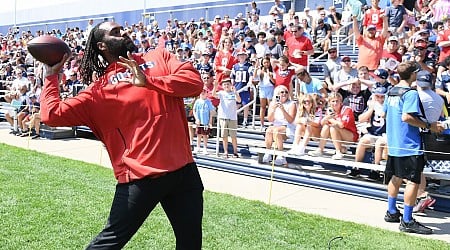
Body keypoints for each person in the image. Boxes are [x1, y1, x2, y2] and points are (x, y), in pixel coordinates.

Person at [40, 21, 204, 249]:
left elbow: (195, 84)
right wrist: (51, 77)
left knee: (191, 243)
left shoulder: (159, 57)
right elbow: (51, 115)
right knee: (108, 243)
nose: (124, 32)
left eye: (122, 29)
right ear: (102, 46)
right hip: (141, 178)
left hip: (183, 171)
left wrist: (149, 82)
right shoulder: (97, 92)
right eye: (115, 32)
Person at [383, 61, 442, 235]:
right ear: (413, 74)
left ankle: (392, 211)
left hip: (394, 142)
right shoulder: (410, 93)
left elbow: (385, 113)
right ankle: (407, 221)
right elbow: (407, 117)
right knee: (413, 182)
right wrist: (429, 125)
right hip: (409, 144)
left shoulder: (391, 91)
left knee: (395, 176)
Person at [350, 86, 388, 180]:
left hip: (385, 134)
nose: (379, 99)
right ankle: (356, 167)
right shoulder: (372, 106)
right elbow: (361, 119)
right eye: (377, 96)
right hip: (373, 133)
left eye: (382, 97)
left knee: (379, 143)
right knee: (362, 141)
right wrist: (371, 109)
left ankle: (375, 170)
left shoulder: (389, 106)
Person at [308, 92, 359, 160]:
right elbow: (322, 123)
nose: (335, 103)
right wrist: (327, 117)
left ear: (341, 101)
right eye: (333, 101)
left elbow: (341, 125)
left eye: (337, 101)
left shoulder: (347, 109)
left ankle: (338, 152)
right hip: (337, 135)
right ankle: (320, 149)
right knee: (326, 126)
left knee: (333, 127)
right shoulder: (330, 110)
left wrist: (330, 118)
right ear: (329, 102)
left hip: (350, 136)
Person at [262, 85, 297, 166]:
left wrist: (283, 109)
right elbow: (270, 119)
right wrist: (274, 109)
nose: (284, 94)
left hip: (287, 126)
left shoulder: (292, 104)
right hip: (276, 125)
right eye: (282, 92)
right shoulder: (273, 103)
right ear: (277, 94)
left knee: (276, 131)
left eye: (286, 92)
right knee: (269, 130)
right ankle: (268, 152)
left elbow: (290, 120)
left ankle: (281, 155)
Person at [212, 78, 241, 158]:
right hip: (223, 117)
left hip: (232, 117)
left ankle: (235, 152)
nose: (226, 86)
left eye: (228, 84)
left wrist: (235, 92)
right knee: (224, 136)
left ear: (231, 85)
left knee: (233, 136)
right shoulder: (221, 93)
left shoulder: (233, 93)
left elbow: (239, 100)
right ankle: (226, 152)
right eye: (225, 84)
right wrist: (215, 86)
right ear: (223, 86)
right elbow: (213, 95)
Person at [193, 88, 215, 155]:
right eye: (201, 92)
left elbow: (211, 112)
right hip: (199, 122)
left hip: (206, 121)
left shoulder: (208, 102)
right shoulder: (197, 101)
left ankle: (205, 148)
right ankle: (198, 147)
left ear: (207, 93)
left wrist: (210, 122)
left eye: (204, 92)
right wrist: (196, 119)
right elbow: (194, 110)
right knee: (198, 134)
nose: (202, 93)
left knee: (205, 135)